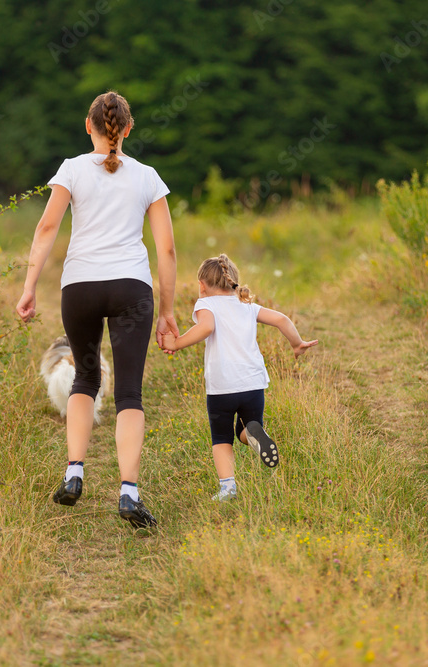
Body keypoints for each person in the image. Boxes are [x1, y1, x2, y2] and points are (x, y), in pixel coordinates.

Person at [16, 90, 179, 528]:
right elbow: (165, 248)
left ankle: (73, 473)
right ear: (127, 130)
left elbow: (47, 226)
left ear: (88, 126)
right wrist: (167, 312)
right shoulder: (147, 176)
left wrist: (29, 286)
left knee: (85, 378)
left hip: (81, 288)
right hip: (131, 288)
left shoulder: (71, 169)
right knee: (128, 393)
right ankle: (129, 493)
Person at [161, 254, 318, 500]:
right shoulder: (247, 306)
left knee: (222, 437)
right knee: (245, 429)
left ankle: (228, 488)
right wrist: (297, 343)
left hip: (222, 386)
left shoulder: (206, 305)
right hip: (252, 383)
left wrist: (178, 343)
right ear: (233, 282)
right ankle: (254, 433)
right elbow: (281, 319)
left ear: (202, 285)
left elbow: (206, 328)